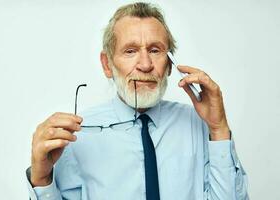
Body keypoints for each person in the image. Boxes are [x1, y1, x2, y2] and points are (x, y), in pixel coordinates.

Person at [26, 2, 249, 200]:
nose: (145, 64)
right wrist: (41, 177)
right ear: (107, 64)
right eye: (130, 51)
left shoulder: (200, 124)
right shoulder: (76, 135)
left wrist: (219, 129)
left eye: (155, 50)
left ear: (170, 64)